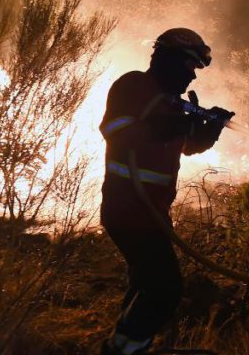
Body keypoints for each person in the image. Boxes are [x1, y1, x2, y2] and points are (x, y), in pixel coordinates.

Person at [99, 28, 233, 355]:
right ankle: (123, 351)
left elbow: (187, 146)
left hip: (151, 214)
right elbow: (114, 130)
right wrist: (174, 125)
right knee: (165, 289)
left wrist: (210, 129)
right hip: (128, 210)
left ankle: (125, 345)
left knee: (145, 284)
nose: (191, 77)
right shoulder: (134, 86)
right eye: (190, 67)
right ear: (170, 60)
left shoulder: (172, 105)